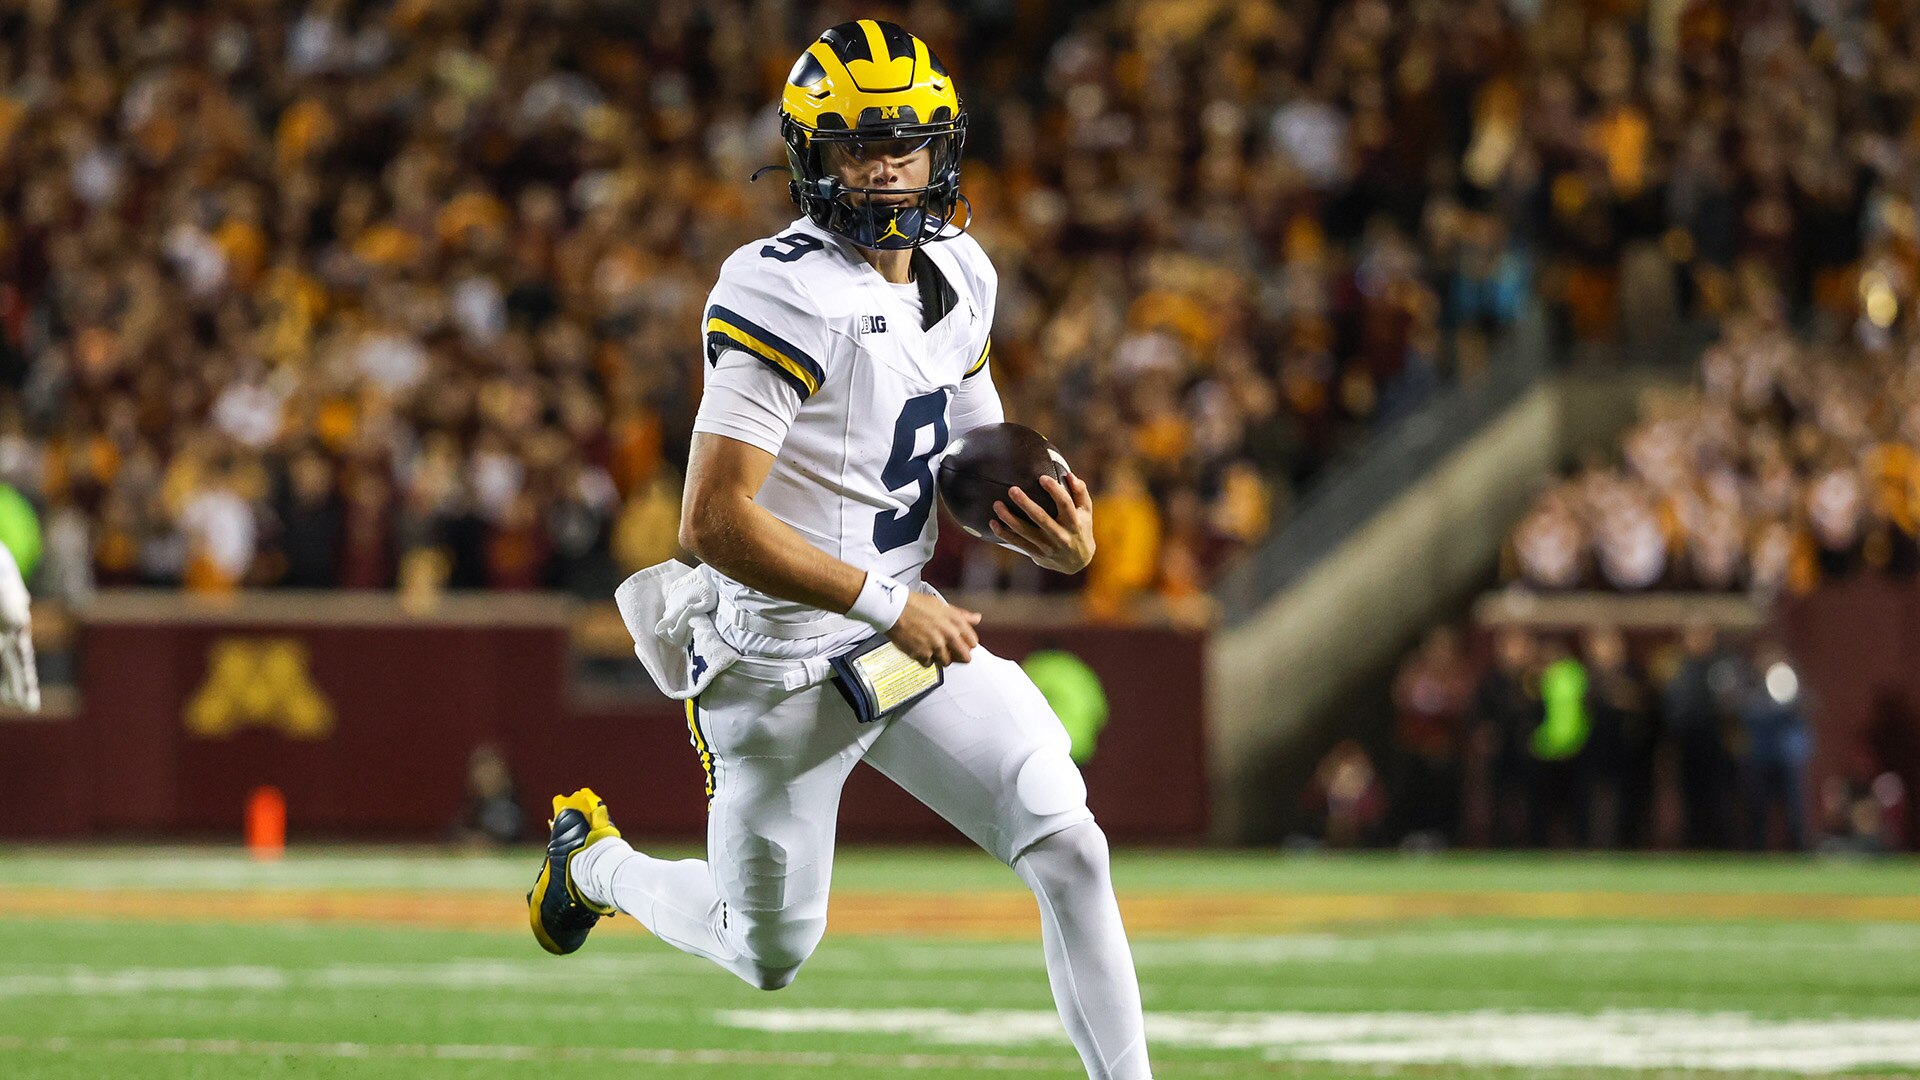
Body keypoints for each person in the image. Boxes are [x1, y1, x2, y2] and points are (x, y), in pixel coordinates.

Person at [524, 23, 1152, 1080]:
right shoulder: (780, 287)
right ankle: (597, 867)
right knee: (765, 949)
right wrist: (885, 603)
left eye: (904, 144)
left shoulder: (961, 271)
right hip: (778, 661)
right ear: (810, 156)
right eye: (859, 146)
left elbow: (968, 459)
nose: (886, 168)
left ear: (942, 148)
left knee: (1067, 841)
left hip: (899, 636)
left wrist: (1052, 531)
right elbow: (712, 521)